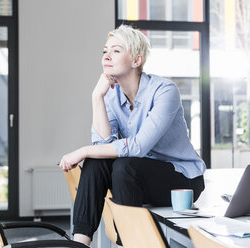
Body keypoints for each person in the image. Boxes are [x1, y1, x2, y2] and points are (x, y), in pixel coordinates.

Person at [59, 25, 206, 246]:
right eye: (105, 51)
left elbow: (138, 147)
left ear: (136, 60)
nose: (107, 56)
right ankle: (80, 243)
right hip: (135, 176)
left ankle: (126, 243)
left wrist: (82, 150)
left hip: (181, 180)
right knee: (96, 162)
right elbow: (102, 145)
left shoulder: (165, 90)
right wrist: (96, 97)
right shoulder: (110, 95)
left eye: (116, 51)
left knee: (124, 165)